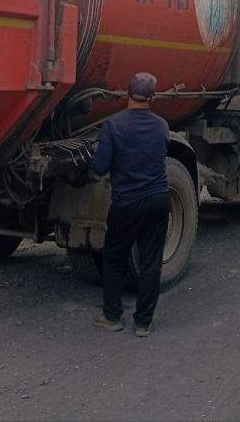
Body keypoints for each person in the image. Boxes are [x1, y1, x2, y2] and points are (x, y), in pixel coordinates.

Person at [90, 72, 170, 337]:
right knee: (150, 262)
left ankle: (112, 317)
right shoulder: (162, 126)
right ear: (152, 98)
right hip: (158, 199)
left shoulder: (113, 125)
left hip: (127, 203)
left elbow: (100, 167)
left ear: (127, 94)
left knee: (114, 259)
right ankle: (143, 323)